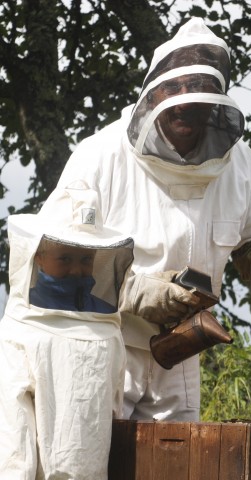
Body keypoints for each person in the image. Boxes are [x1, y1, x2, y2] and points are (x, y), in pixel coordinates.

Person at [47, 17, 251, 422]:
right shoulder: (100, 155)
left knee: (175, 462)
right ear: (152, 95)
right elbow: (53, 259)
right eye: (173, 89)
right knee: (86, 463)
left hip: (181, 351)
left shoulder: (240, 165)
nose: (184, 102)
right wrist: (138, 292)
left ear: (217, 105)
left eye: (198, 92)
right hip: (100, 343)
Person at [0, 181, 135, 479]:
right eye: (64, 258)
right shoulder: (20, 331)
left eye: (86, 259)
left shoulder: (107, 329)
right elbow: (12, 427)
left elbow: (112, 412)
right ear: (38, 255)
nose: (76, 269)